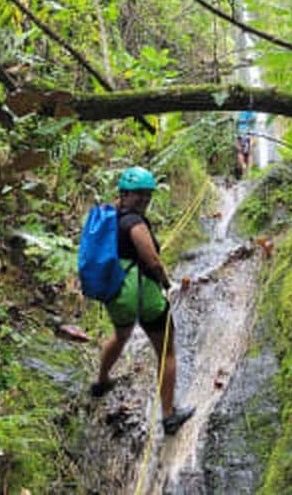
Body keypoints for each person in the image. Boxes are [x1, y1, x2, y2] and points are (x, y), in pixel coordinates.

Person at [90, 166, 195, 436]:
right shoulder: (134, 223)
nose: (144, 201)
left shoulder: (110, 217)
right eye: (139, 195)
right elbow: (151, 260)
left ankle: (101, 381)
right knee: (167, 352)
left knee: (121, 335)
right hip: (142, 294)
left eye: (147, 196)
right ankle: (169, 416)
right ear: (125, 194)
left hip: (117, 294)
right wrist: (166, 283)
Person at [235, 110, 256, 178]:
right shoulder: (251, 111)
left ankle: (244, 169)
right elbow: (253, 120)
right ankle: (247, 171)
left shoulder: (238, 112)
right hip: (248, 131)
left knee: (241, 152)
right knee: (249, 152)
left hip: (240, 131)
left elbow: (236, 120)